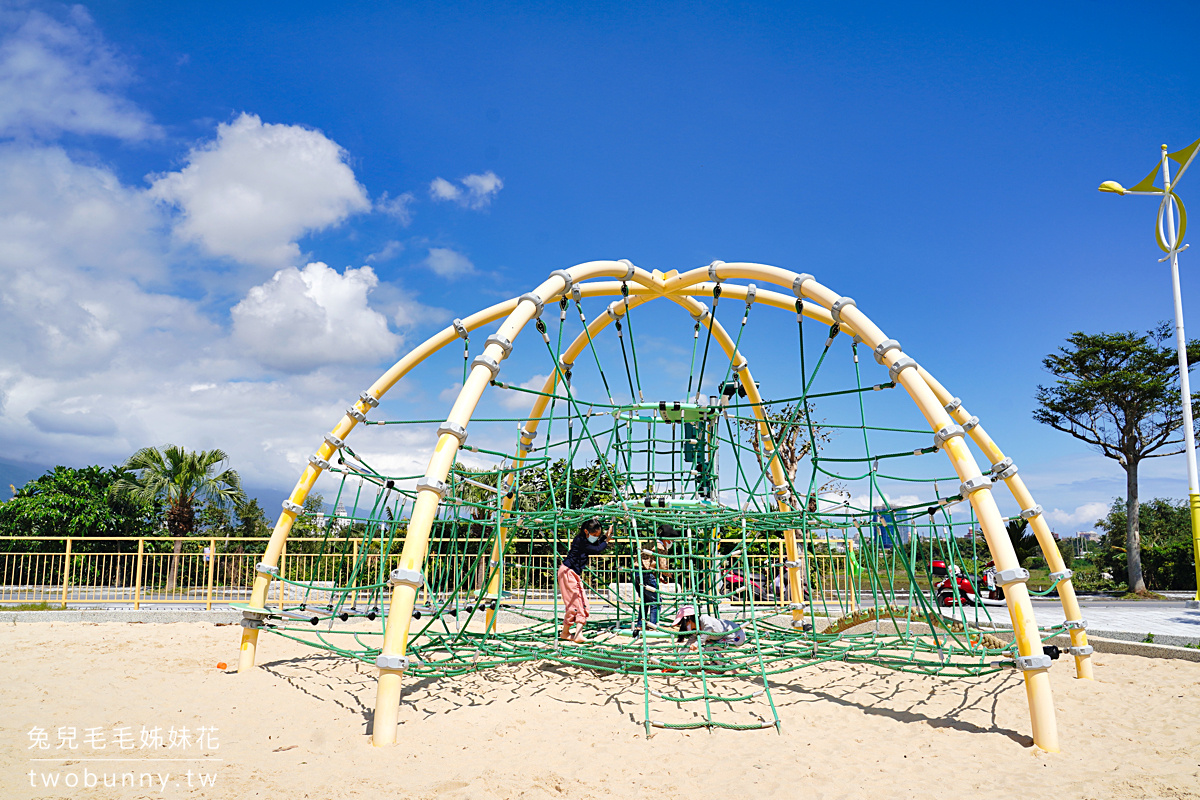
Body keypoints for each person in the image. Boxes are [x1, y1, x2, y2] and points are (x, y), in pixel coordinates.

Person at [557, 518, 615, 643]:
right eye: (594, 535)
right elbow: (597, 549)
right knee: (576, 605)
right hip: (568, 572)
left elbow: (597, 544)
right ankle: (574, 634)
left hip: (573, 573)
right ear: (586, 531)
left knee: (581, 603)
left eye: (597, 535)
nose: (595, 537)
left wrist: (606, 535)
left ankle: (566, 633)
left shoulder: (584, 539)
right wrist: (607, 539)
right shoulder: (580, 541)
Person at [670, 604, 747, 651]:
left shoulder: (704, 619)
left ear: (689, 620)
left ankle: (727, 667)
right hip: (726, 639)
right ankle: (717, 664)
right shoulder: (697, 629)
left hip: (736, 636)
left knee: (707, 647)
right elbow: (688, 644)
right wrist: (678, 660)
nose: (686, 628)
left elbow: (708, 630)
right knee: (707, 645)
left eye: (685, 624)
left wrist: (697, 644)